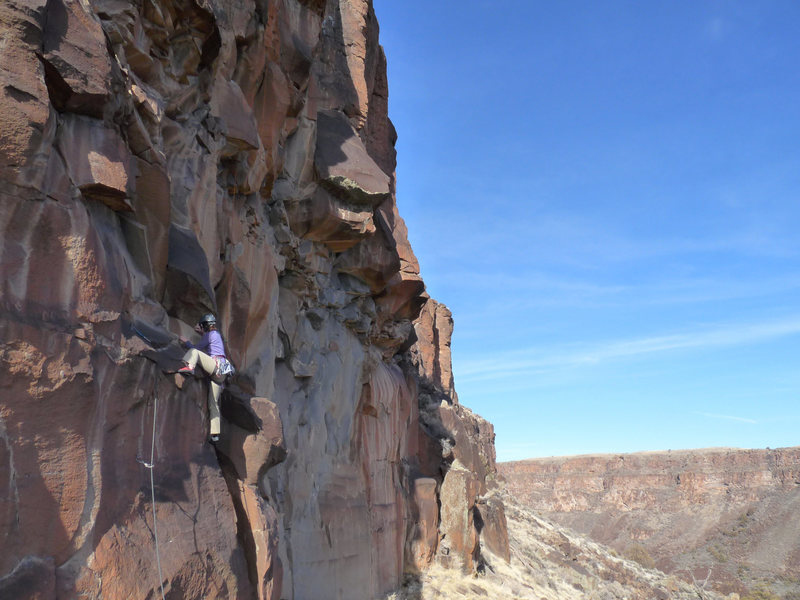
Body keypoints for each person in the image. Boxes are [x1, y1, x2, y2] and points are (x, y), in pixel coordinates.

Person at [179, 313, 226, 443]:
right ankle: (215, 433)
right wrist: (202, 333)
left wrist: (186, 341)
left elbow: (196, 348)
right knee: (214, 404)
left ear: (205, 326)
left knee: (195, 353)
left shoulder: (211, 335)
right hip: (221, 373)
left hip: (215, 366)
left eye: (202, 326)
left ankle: (190, 367)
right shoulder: (215, 335)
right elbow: (209, 342)